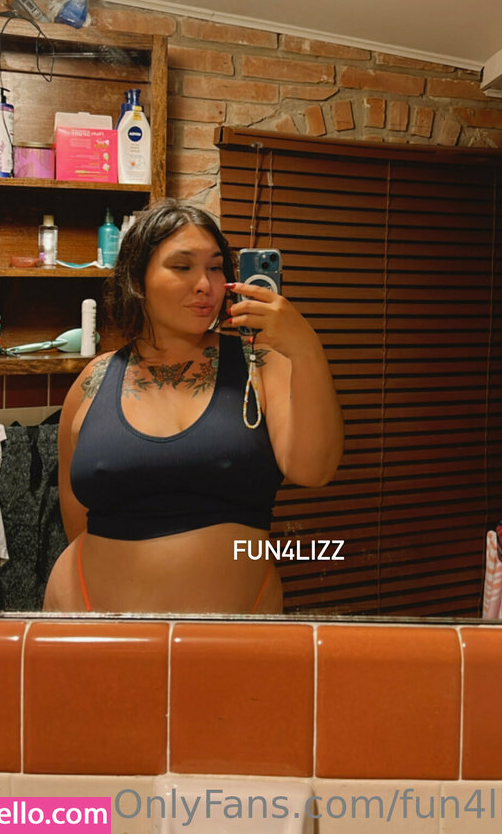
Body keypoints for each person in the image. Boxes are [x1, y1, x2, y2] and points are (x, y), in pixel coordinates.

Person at [44, 198, 343, 614]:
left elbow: (314, 470)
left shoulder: (261, 364)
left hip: (233, 635)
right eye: (182, 267)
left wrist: (305, 346)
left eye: (216, 268)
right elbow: (77, 522)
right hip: (90, 625)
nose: (206, 284)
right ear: (138, 278)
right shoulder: (93, 379)